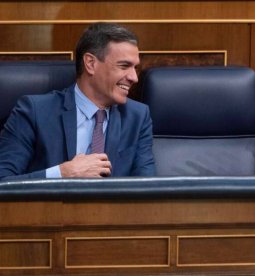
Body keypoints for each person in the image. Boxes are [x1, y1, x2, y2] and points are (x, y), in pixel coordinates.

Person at [0, 22, 155, 180]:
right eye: (124, 66)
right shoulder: (34, 112)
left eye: (135, 68)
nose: (134, 78)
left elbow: (148, 190)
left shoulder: (138, 117)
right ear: (90, 63)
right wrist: (62, 173)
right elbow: (3, 182)